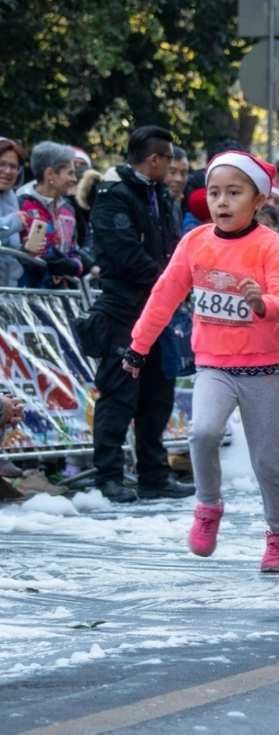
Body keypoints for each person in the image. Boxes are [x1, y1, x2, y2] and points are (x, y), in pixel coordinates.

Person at [124, 150, 279, 572]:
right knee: (201, 433)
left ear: (258, 199)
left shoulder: (268, 243)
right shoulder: (195, 242)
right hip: (214, 365)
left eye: (234, 193)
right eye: (215, 192)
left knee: (268, 461)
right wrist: (139, 345)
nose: (221, 202)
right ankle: (208, 506)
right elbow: (164, 296)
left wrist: (263, 304)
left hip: (263, 367)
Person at [83, 125, 193, 503]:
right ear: (154, 159)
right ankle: (109, 477)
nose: (172, 167)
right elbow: (122, 251)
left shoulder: (158, 195)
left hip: (158, 311)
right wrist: (168, 282)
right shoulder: (114, 194)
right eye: (168, 159)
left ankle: (153, 474)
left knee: (158, 395)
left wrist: (173, 284)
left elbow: (171, 246)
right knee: (119, 393)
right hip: (121, 310)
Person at [17, 141, 84, 288]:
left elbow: (75, 252)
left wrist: (74, 266)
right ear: (50, 174)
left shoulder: (68, 210)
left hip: (62, 298)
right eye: (70, 172)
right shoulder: (22, 205)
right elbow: (15, 254)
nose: (74, 179)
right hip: (26, 297)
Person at [0, 137, 29, 287]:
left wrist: (27, 248)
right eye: (1, 164)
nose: (7, 171)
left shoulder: (11, 197)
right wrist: (14, 222)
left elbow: (9, 249)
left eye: (13, 166)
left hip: (8, 292)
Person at [165, 147, 189, 233]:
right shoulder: (152, 205)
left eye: (184, 173)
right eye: (172, 172)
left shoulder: (184, 202)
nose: (179, 179)